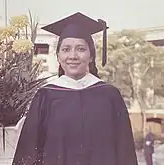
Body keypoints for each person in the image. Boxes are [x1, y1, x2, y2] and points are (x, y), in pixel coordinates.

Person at [12, 12, 138, 165]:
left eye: (80, 49)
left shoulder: (110, 96)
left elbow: (125, 151)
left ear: (91, 56)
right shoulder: (45, 96)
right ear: (58, 56)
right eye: (66, 49)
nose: (73, 56)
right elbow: (29, 151)